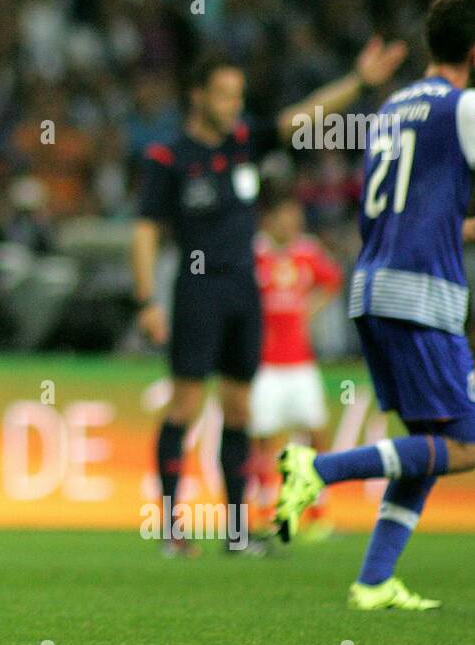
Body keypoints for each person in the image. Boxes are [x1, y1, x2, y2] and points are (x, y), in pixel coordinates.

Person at [273, 0, 475, 609]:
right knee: (466, 446)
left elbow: (398, 211)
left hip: (373, 286)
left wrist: (467, 228)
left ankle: (373, 581)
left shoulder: (393, 107)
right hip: (420, 295)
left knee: (427, 441)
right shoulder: (463, 104)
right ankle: (317, 470)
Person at [132, 37, 407, 554]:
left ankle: (236, 532)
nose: (232, 106)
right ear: (197, 96)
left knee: (239, 411)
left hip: (244, 291)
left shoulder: (245, 142)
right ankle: (172, 526)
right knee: (185, 405)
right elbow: (146, 230)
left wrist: (359, 81)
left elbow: (303, 117)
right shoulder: (169, 157)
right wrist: (146, 300)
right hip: (197, 290)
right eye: (222, 96)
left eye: (237, 96)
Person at [249, 189, 342, 540]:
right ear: (269, 219)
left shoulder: (308, 251)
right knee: (265, 441)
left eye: (295, 217)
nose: (291, 223)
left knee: (316, 435)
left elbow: (332, 281)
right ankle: (265, 513)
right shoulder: (254, 253)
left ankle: (317, 513)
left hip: (301, 362)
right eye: (284, 216)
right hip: (264, 365)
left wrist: (309, 310)